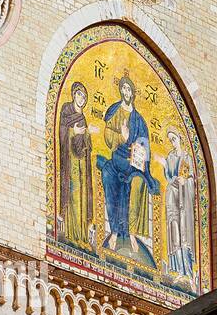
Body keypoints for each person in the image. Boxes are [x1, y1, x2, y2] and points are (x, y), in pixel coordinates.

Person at [97, 74, 159, 256]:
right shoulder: (116, 111)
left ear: (132, 93)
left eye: (129, 89)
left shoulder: (138, 120)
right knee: (108, 175)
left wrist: (139, 150)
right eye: (123, 88)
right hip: (117, 159)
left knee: (139, 183)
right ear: (120, 90)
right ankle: (114, 230)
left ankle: (132, 232)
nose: (126, 91)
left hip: (133, 164)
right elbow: (108, 135)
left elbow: (145, 144)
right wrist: (121, 137)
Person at [57, 82, 94, 246]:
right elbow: (62, 130)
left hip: (81, 162)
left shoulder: (83, 117)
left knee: (82, 194)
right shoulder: (66, 109)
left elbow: (86, 143)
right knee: (73, 194)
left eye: (84, 97)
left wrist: (87, 134)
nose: (82, 99)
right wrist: (74, 131)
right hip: (70, 160)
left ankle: (82, 236)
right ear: (73, 95)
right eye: (79, 95)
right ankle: (71, 233)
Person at [163, 126, 196, 281]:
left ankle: (188, 271)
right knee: (174, 230)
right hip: (173, 196)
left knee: (184, 233)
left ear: (180, 139)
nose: (172, 142)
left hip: (184, 198)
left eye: (174, 139)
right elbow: (168, 176)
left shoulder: (187, 157)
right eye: (170, 140)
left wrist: (185, 181)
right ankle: (178, 270)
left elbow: (191, 178)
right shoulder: (170, 157)